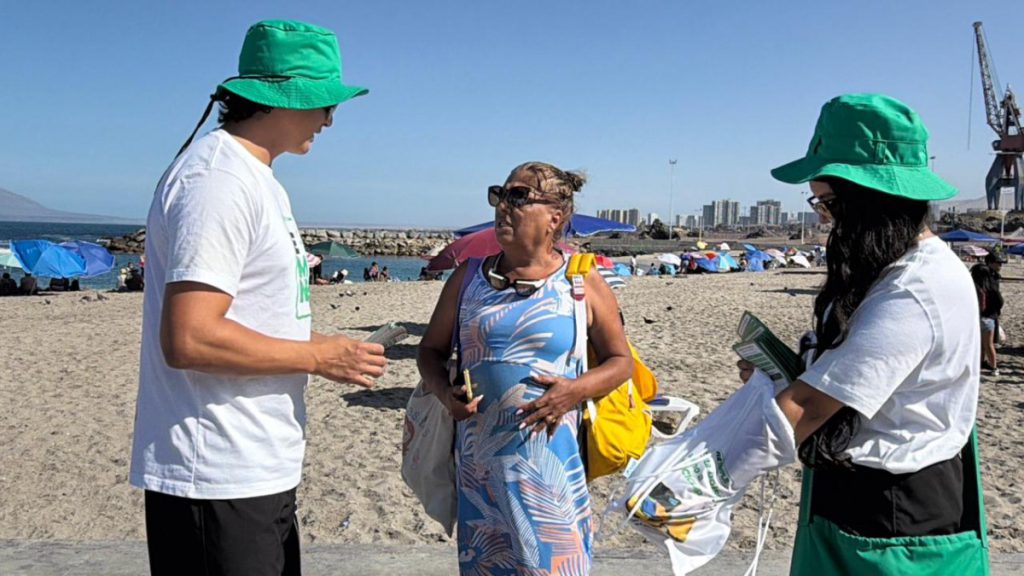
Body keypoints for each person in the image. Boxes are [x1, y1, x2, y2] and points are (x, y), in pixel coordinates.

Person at [129, 20, 386, 576]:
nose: (329, 118)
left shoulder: (255, 177)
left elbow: (249, 315)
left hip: (254, 466)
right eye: (322, 102)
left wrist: (329, 348)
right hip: (215, 470)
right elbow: (190, 336)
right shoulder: (217, 180)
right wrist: (318, 357)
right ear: (281, 97)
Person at [746, 94, 985, 573]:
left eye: (829, 204)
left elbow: (811, 406)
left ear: (873, 199)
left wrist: (702, 477)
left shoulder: (918, 285)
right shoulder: (889, 268)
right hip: (850, 487)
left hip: (896, 512)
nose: (824, 218)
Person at [418, 162, 633, 574]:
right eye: (499, 194)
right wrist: (445, 394)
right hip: (481, 478)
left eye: (519, 196)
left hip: (551, 474)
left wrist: (575, 390)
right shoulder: (467, 279)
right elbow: (430, 350)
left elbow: (620, 363)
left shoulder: (581, 281)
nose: (503, 205)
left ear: (556, 215)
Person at [971, 258, 1003, 376]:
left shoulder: (973, 287)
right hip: (989, 317)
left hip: (976, 318)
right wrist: (996, 311)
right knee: (989, 344)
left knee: (979, 344)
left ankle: (980, 364)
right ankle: (994, 367)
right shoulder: (991, 287)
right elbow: (1000, 301)